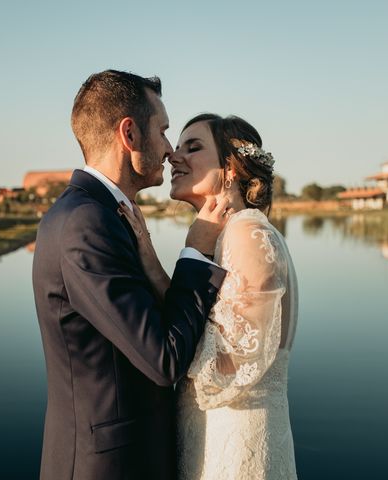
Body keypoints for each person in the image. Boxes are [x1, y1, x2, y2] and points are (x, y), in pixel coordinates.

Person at [32, 70, 229, 480]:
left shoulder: (100, 213)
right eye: (162, 131)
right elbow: (163, 358)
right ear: (130, 134)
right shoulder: (87, 223)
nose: (169, 150)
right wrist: (196, 251)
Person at [121, 114, 299, 479]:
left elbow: (232, 362)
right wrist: (152, 263)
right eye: (179, 145)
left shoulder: (247, 235)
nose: (174, 156)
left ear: (230, 168)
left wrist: (153, 353)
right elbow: (206, 329)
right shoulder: (225, 235)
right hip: (212, 434)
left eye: (194, 147)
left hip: (237, 444)